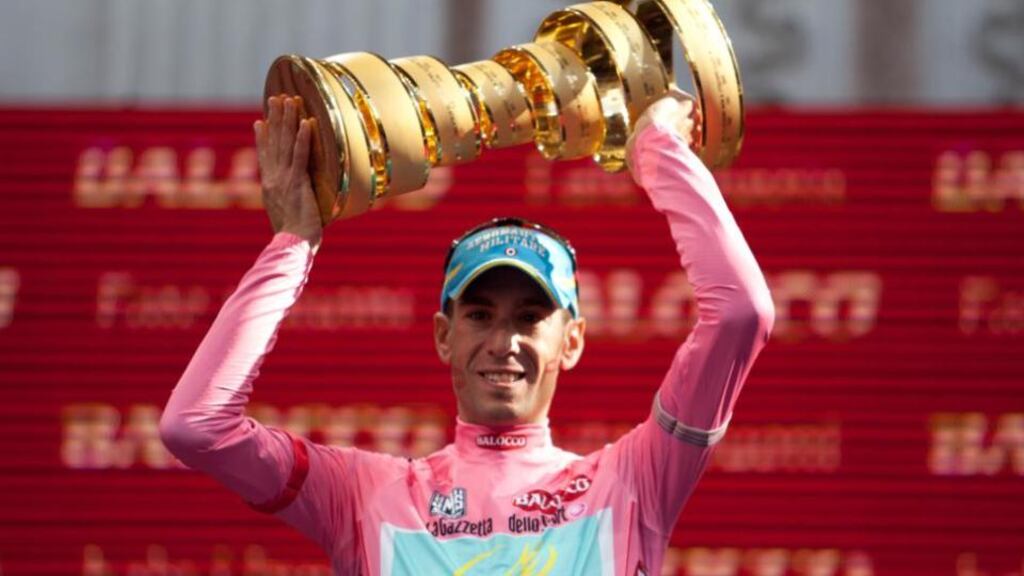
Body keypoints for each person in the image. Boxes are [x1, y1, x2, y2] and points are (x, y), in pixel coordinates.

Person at [159, 89, 775, 575]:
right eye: (480, 314)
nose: (503, 342)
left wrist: (657, 150)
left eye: (530, 317)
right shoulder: (364, 495)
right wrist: (295, 240)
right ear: (443, 336)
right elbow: (196, 426)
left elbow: (742, 313)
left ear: (573, 340)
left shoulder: (635, 481)